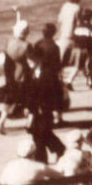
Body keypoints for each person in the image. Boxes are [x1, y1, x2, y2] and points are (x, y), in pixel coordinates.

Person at [28, 23, 67, 155]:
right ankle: (58, 149)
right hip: (50, 80)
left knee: (40, 129)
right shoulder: (55, 47)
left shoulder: (38, 44)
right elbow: (57, 65)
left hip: (40, 85)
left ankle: (52, 151)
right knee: (43, 126)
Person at [0, 19, 33, 133]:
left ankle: (2, 121)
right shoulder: (26, 45)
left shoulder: (9, 42)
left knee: (9, 100)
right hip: (23, 75)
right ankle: (28, 123)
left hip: (10, 76)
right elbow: (32, 61)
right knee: (29, 100)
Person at [55, 0, 82, 71]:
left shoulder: (65, 6)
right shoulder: (77, 8)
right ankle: (88, 76)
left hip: (62, 34)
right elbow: (79, 23)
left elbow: (59, 20)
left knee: (60, 58)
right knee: (80, 56)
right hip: (71, 35)